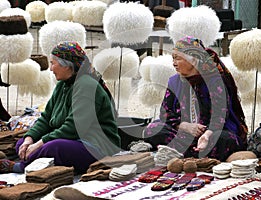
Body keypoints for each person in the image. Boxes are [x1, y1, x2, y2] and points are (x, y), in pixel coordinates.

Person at [0, 41, 121, 174]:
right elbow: (46, 118)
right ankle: (34, 160)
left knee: (54, 147)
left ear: (67, 66)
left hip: (95, 146)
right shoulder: (62, 85)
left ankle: (21, 167)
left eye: (53, 63)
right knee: (22, 143)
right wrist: (30, 139)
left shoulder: (87, 86)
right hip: (71, 139)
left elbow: (73, 127)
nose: (51, 69)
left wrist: (40, 143)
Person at [144, 36, 248, 161]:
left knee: (225, 139)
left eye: (178, 58)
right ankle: (198, 155)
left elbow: (220, 116)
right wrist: (184, 126)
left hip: (211, 134)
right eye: (173, 58)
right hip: (183, 133)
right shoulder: (174, 81)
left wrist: (207, 134)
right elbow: (165, 113)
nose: (174, 63)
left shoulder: (215, 81)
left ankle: (182, 153)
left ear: (193, 59)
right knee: (152, 129)